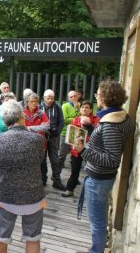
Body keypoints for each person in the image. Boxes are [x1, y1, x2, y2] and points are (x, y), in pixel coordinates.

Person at [74, 80, 134, 253]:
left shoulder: (110, 124)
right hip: (103, 178)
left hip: (98, 180)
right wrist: (91, 128)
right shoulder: (120, 115)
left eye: (97, 94)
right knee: (99, 220)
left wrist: (82, 150)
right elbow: (108, 143)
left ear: (104, 98)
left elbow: (112, 159)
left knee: (97, 223)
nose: (96, 97)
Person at [0, 100, 45, 253]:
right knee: (33, 237)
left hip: (4, 194)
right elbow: (40, 161)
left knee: (1, 236)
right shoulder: (38, 140)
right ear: (22, 115)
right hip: (33, 194)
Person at [62, 101, 99, 197]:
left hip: (91, 150)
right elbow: (72, 134)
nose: (84, 109)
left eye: (87, 107)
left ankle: (91, 192)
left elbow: (97, 134)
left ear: (91, 109)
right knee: (74, 170)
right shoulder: (75, 119)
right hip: (77, 149)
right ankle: (70, 189)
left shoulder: (96, 120)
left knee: (91, 171)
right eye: (82, 107)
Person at [40, 89, 65, 189]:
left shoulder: (58, 107)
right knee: (42, 159)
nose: (50, 100)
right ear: (44, 98)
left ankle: (56, 180)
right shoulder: (40, 107)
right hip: (42, 137)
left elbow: (61, 121)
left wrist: (57, 132)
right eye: (48, 98)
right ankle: (43, 179)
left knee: (55, 160)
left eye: (52, 98)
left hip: (54, 137)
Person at [58, 90, 80, 168]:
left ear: (78, 96)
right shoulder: (65, 106)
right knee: (63, 153)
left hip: (77, 132)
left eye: (75, 96)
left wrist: (77, 111)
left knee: (75, 153)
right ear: (68, 98)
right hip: (65, 132)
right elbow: (65, 119)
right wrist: (77, 114)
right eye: (71, 97)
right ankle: (58, 169)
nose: (73, 98)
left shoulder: (81, 106)